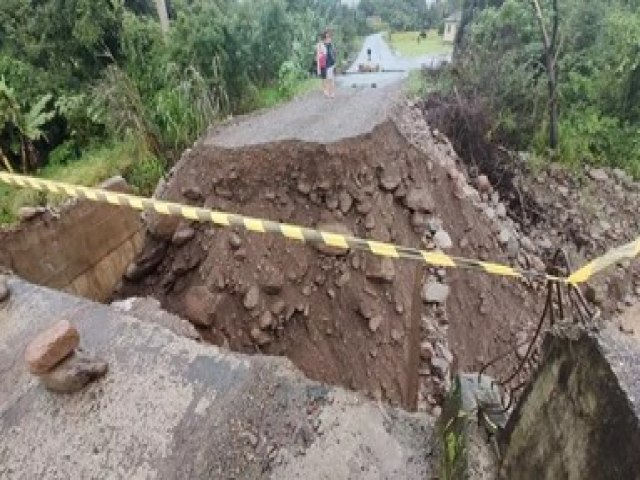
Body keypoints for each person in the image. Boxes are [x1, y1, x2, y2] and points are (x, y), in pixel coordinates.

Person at [323, 30, 336, 98]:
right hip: (326, 64)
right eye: (326, 37)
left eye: (328, 37)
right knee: (328, 79)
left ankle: (331, 93)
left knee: (330, 79)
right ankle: (328, 92)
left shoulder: (330, 45)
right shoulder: (323, 45)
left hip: (330, 63)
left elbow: (334, 53)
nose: (327, 39)